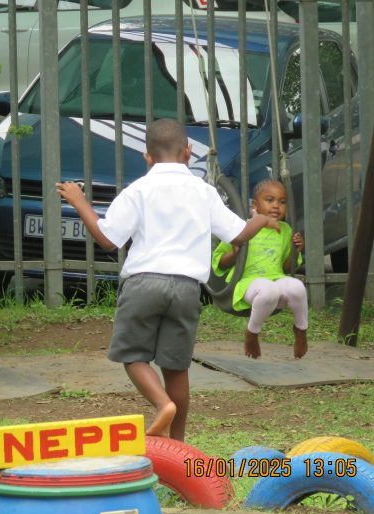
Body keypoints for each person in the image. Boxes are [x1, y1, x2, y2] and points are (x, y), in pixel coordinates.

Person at [56, 118, 279, 441]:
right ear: (188, 151)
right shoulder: (204, 192)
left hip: (143, 284)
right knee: (176, 367)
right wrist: (260, 219)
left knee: (133, 356)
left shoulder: (138, 190)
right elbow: (239, 235)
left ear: (147, 157)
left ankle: (162, 405)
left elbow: (108, 239)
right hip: (187, 289)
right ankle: (178, 444)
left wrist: (79, 202)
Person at [212, 179, 308, 360]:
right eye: (270, 200)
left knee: (297, 287)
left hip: (276, 279)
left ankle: (301, 329)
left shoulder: (285, 230)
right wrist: (234, 253)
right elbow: (220, 264)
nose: (276, 206)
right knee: (268, 289)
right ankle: (252, 332)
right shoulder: (243, 228)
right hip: (248, 284)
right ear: (255, 205)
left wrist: (295, 250)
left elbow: (287, 268)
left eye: (282, 202)